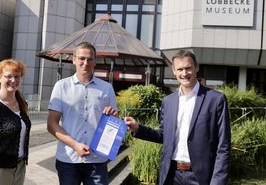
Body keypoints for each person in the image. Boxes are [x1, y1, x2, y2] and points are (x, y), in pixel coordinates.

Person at [125, 50, 231, 185]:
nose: (184, 73)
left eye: (188, 68)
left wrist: (217, 182)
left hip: (201, 177)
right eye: (180, 69)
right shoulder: (168, 101)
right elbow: (164, 136)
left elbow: (224, 147)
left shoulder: (216, 100)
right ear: (174, 71)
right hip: (171, 175)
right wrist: (138, 128)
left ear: (197, 67)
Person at [47, 42, 118, 185]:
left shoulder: (107, 88)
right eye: (81, 58)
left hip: (97, 160)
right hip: (68, 160)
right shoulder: (61, 86)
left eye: (90, 59)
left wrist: (113, 117)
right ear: (74, 60)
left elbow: (114, 123)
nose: (85, 63)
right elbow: (51, 124)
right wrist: (75, 145)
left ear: (95, 62)